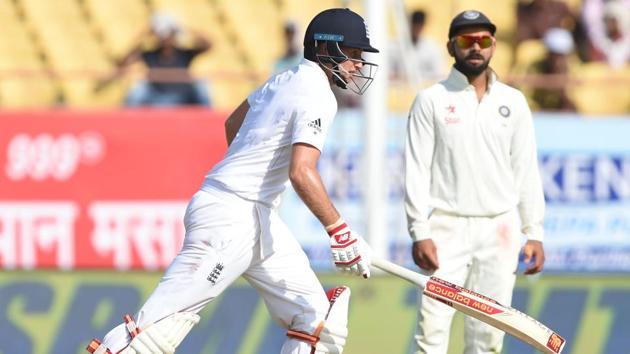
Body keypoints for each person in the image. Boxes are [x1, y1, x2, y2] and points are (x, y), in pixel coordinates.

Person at [86, 8, 378, 354]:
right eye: (355, 54)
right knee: (154, 332)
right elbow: (301, 170)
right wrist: (339, 231)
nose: (359, 64)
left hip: (257, 216)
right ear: (328, 49)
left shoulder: (281, 80)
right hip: (230, 219)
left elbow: (232, 123)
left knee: (317, 321)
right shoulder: (318, 94)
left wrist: (250, 178)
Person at [405, 10, 546, 354]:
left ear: (494, 46)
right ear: (451, 47)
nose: (475, 48)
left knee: (487, 337)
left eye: (483, 40)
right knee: (432, 331)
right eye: (467, 41)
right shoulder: (431, 100)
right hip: (446, 227)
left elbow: (525, 169)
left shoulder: (512, 101)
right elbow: (416, 169)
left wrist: (535, 232)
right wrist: (419, 231)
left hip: (500, 228)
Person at [96, 12, 212, 106]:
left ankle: (208, 121)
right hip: (156, 99)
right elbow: (123, 63)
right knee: (139, 88)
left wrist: (185, 28)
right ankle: (127, 124)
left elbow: (208, 46)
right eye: (163, 34)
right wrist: (144, 35)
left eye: (169, 34)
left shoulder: (184, 53)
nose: (166, 38)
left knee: (201, 84)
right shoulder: (150, 54)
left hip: (182, 98)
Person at [390, 10, 445, 82]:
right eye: (414, 25)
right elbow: (388, 73)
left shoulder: (432, 48)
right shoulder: (395, 46)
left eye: (419, 26)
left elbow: (439, 74)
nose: (417, 29)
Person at [529, 27, 577, 111]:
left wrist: (564, 90)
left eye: (562, 55)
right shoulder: (534, 69)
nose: (558, 61)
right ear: (548, 54)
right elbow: (526, 100)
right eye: (555, 55)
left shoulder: (576, 71)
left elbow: (577, 110)